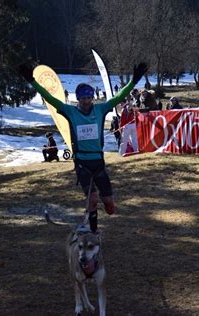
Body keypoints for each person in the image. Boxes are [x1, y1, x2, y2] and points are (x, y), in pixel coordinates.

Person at [18, 62, 147, 232]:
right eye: (83, 98)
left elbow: (117, 98)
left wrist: (133, 81)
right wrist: (32, 81)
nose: (86, 101)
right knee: (92, 199)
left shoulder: (100, 110)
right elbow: (50, 98)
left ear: (92, 98)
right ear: (78, 99)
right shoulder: (70, 112)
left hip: (98, 162)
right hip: (82, 163)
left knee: (110, 206)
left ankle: (105, 204)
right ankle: (93, 232)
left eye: (88, 97)